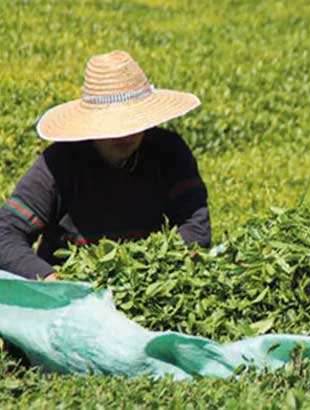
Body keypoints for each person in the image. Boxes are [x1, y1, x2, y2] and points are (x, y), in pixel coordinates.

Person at [0, 50, 211, 281]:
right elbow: (5, 233)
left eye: (132, 124)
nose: (124, 135)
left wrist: (153, 269)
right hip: (69, 292)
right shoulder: (59, 163)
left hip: (146, 280)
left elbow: (196, 226)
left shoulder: (168, 151)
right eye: (112, 127)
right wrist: (52, 279)